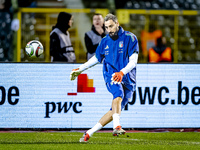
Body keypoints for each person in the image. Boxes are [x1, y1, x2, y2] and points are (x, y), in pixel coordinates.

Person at [70, 13, 139, 142]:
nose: (109, 30)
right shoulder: (105, 41)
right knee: (118, 94)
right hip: (111, 74)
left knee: (114, 111)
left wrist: (122, 72)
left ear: (117, 23)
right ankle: (117, 127)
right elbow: (96, 58)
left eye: (111, 26)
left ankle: (89, 132)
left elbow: (133, 62)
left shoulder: (130, 38)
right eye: (106, 27)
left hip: (127, 76)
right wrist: (80, 69)